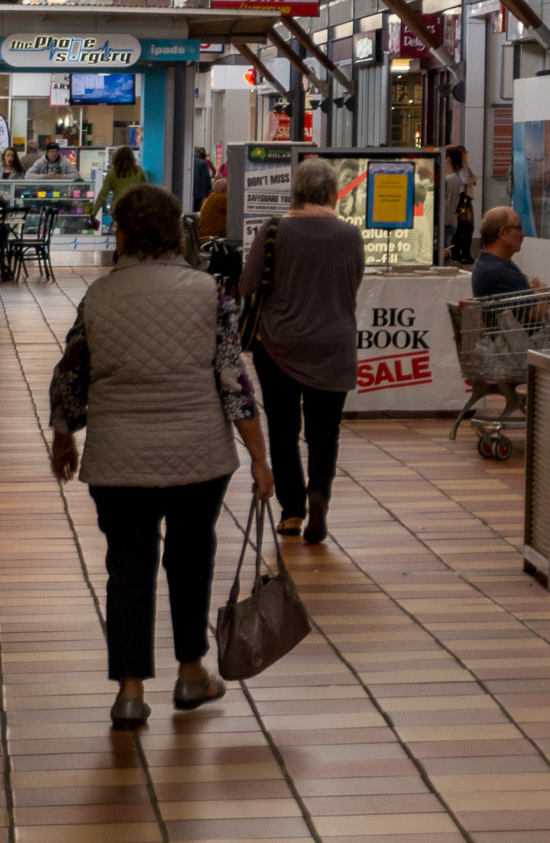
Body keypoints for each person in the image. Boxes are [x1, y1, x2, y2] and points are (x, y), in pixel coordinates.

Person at [47, 184, 274, 731]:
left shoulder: (100, 296)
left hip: (118, 457)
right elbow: (234, 382)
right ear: (175, 232)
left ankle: (129, 693)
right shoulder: (207, 293)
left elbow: (71, 374)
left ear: (124, 234)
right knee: (190, 560)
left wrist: (64, 435)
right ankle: (191, 673)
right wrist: (260, 458)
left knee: (128, 569)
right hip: (198, 455)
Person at [238, 157, 364, 545]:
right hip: (334, 344)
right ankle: (319, 494)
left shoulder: (274, 229)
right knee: (325, 432)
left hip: (279, 345)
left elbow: (246, 285)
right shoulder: (350, 235)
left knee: (283, 429)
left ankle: (292, 510)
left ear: (295, 192)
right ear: (331, 193)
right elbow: (354, 281)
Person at [472, 206, 544, 297]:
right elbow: (537, 305)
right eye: (519, 227)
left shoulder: (489, 262)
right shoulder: (498, 271)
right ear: (503, 233)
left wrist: (528, 286)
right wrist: (542, 290)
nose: (523, 234)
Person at [95, 145, 148, 220]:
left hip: (117, 208)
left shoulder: (112, 173)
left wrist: (93, 213)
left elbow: (103, 194)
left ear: (116, 158)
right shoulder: (139, 171)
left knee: (120, 226)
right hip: (135, 207)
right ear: (132, 158)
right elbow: (146, 190)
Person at [446, 145, 476, 264]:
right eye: (466, 152)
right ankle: (462, 254)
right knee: (466, 226)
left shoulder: (457, 169)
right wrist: (473, 179)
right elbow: (467, 180)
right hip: (463, 198)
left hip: (461, 198)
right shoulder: (462, 166)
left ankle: (458, 254)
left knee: (462, 227)